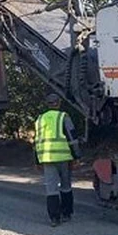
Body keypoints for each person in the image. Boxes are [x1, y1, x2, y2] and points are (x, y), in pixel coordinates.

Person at [33, 93, 80, 226]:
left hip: (47, 158)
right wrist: (76, 156)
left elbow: (36, 141)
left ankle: (54, 218)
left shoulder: (40, 119)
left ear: (47, 104)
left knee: (51, 189)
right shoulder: (63, 117)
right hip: (64, 158)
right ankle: (67, 213)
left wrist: (37, 160)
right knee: (65, 186)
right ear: (59, 103)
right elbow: (72, 138)